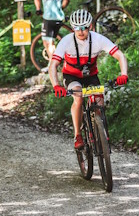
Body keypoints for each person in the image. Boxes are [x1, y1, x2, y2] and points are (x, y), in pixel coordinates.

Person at [48, 9, 128, 149]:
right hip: (71, 76)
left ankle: (100, 129)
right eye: (76, 28)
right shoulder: (66, 42)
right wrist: (56, 85)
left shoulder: (98, 39)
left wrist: (123, 74)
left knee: (99, 99)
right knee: (78, 97)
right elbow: (53, 65)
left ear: (90, 26)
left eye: (84, 27)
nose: (80, 31)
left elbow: (120, 55)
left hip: (90, 76)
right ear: (72, 28)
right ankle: (78, 135)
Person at [34, 0, 70, 72]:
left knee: (47, 43)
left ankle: (52, 65)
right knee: (52, 41)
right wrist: (60, 8)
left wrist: (38, 9)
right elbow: (67, 0)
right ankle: (53, 62)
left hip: (49, 17)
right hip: (59, 17)